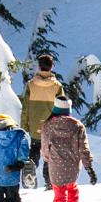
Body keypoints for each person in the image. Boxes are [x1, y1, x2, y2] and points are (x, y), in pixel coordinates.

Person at [39, 95, 96, 202]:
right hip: (72, 168)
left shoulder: (47, 126)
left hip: (56, 168)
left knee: (59, 198)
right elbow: (83, 149)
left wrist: (47, 159)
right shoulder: (78, 126)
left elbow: (45, 149)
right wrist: (89, 168)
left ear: (55, 109)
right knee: (72, 191)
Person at [20, 51, 65, 188]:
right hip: (52, 127)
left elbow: (25, 107)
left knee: (34, 151)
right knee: (50, 155)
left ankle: (30, 171)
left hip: (35, 127)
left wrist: (24, 125)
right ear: (52, 67)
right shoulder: (57, 86)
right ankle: (49, 181)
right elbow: (62, 108)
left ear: (39, 67)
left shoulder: (31, 85)